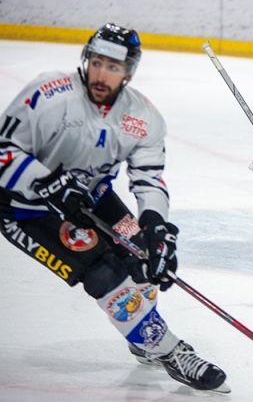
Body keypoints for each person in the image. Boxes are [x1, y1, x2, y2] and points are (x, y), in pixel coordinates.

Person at [0, 24, 228, 392]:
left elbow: (149, 179)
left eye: (113, 67)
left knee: (144, 257)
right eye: (97, 62)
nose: (101, 74)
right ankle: (171, 351)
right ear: (86, 59)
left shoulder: (143, 118)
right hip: (26, 207)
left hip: (90, 197)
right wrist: (46, 182)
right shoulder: (48, 93)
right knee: (102, 273)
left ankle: (144, 339)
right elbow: (4, 152)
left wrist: (155, 226)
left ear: (129, 71)